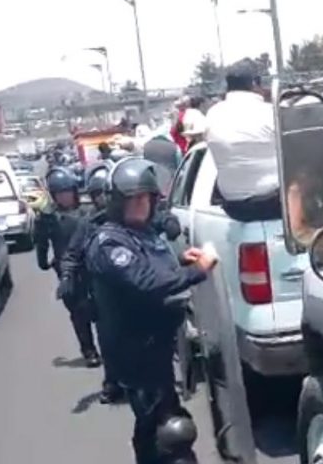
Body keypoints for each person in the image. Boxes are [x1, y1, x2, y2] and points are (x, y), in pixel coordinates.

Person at [85, 158, 217, 464]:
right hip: (136, 352)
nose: (141, 206)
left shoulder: (140, 234)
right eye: (134, 200)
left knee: (152, 425)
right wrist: (197, 270)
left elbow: (152, 265)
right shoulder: (109, 242)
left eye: (146, 199)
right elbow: (144, 281)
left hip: (156, 346)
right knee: (171, 430)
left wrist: (181, 260)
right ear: (118, 202)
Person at [61, 163, 124, 404]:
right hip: (102, 292)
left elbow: (157, 227)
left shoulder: (130, 216)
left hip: (134, 286)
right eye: (96, 195)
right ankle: (113, 383)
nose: (101, 200)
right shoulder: (88, 224)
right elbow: (72, 254)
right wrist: (67, 276)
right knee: (108, 339)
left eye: (104, 194)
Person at [35, 167, 101, 368]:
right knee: (78, 313)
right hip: (67, 271)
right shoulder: (48, 218)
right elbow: (41, 242)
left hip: (92, 266)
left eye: (68, 192)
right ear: (54, 196)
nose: (66, 197)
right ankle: (89, 350)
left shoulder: (88, 212)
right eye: (61, 194)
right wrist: (43, 261)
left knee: (102, 309)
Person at [205, 58, 281, 222]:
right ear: (254, 84)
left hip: (233, 207)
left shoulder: (212, 114)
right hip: (272, 204)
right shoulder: (270, 113)